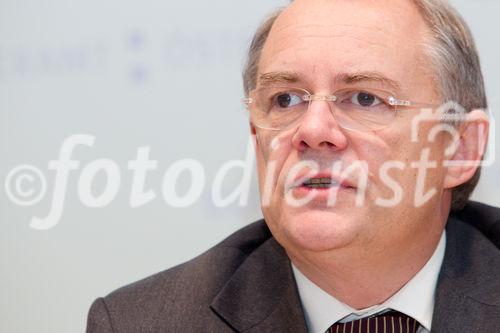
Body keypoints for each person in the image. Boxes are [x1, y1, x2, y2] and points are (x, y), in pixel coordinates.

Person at [87, 0, 500, 332]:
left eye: (364, 98)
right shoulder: (140, 324)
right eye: (285, 100)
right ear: (257, 136)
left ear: (459, 149)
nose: (313, 129)